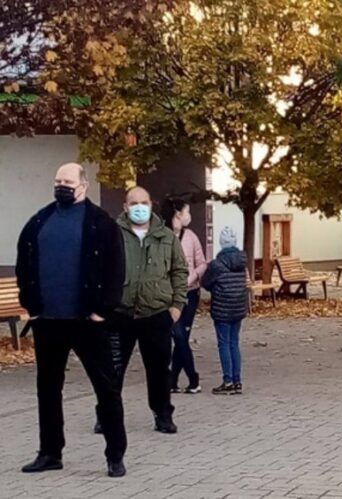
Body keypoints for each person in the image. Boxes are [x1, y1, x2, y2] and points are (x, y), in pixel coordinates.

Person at [16, 163, 128, 478]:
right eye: (57, 180)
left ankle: (115, 454)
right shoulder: (40, 220)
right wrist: (31, 306)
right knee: (48, 389)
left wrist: (101, 311)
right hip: (48, 321)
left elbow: (115, 269)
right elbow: (24, 263)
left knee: (106, 388)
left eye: (68, 181)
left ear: (83, 185)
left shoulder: (101, 223)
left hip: (87, 321)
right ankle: (50, 452)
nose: (61, 185)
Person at [95, 186, 188, 435]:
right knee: (112, 370)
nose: (139, 207)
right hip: (120, 313)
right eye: (133, 203)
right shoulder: (113, 234)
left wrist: (177, 306)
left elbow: (179, 272)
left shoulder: (166, 237)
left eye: (144, 202)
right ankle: (106, 415)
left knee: (159, 371)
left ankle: (163, 415)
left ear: (151, 205)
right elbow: (99, 270)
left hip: (156, 314)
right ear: (125, 207)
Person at [161, 198, 206, 394]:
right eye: (187, 211)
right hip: (169, 296)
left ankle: (174, 380)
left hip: (190, 293)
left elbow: (202, 263)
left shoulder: (191, 237)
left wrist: (192, 277)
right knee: (178, 335)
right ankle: (192, 377)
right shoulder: (162, 236)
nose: (189, 216)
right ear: (178, 214)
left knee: (182, 337)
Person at [202, 227, 248, 395]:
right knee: (234, 343)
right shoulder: (241, 263)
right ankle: (237, 381)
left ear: (221, 243)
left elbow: (205, 283)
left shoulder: (216, 264)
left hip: (222, 308)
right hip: (238, 308)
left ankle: (227, 380)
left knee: (224, 343)